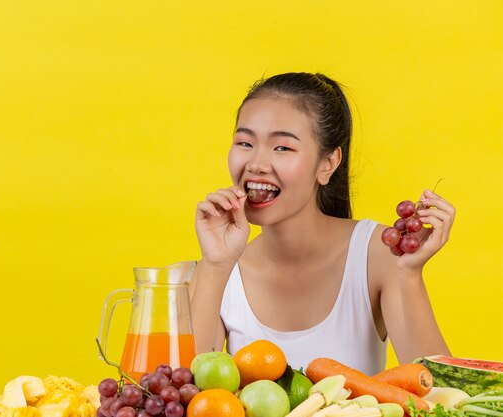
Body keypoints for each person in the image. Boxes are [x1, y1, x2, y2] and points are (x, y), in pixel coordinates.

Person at [189, 72, 454, 375]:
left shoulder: (377, 254)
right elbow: (180, 393)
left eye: (282, 148)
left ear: (327, 164)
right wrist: (215, 265)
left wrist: (409, 274)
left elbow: (442, 394)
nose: (257, 164)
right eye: (245, 143)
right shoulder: (219, 270)